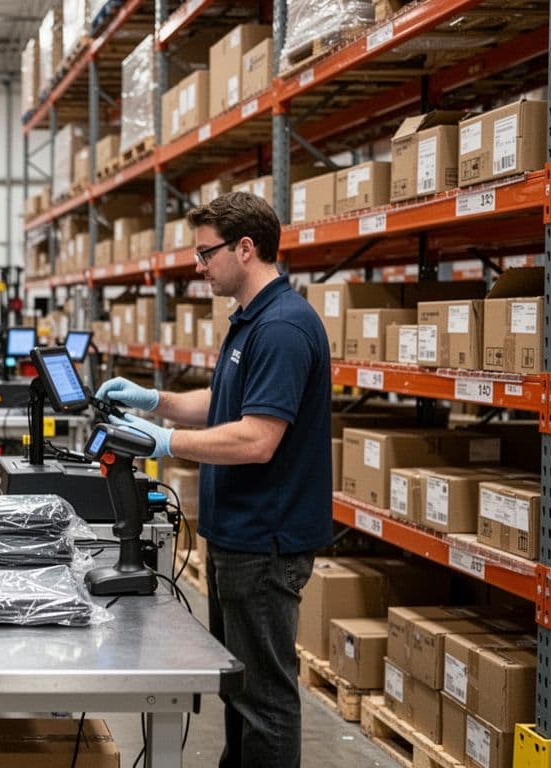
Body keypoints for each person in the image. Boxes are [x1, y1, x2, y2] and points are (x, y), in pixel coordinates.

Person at [95, 192, 331, 768]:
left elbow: (256, 438)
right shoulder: (250, 321)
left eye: (206, 254)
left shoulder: (281, 328)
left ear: (244, 249)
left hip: (264, 542)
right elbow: (225, 403)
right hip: (238, 539)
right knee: (239, 691)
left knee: (264, 702)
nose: (199, 267)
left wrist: (165, 444)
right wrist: (159, 403)